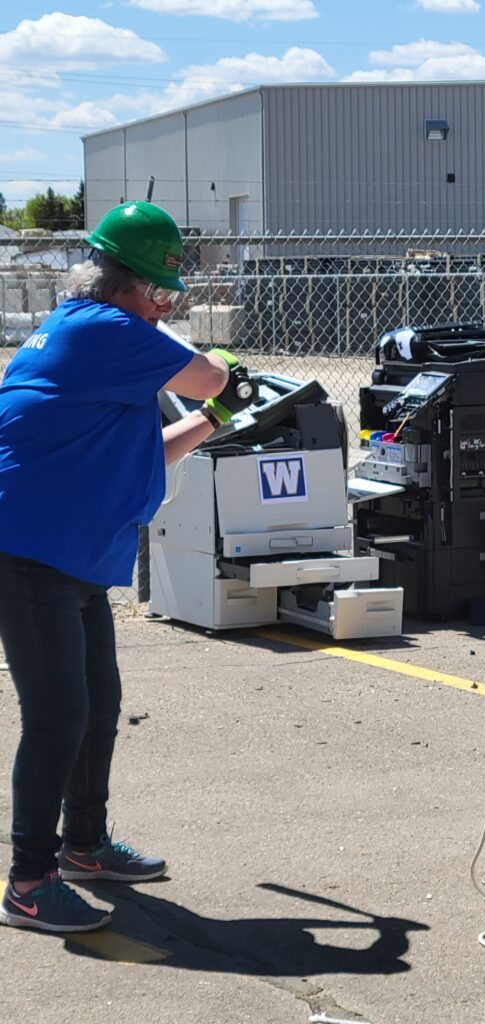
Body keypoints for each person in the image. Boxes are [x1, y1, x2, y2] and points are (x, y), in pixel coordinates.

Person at [0, 201, 252, 934]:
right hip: (31, 550)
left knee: (97, 707)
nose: (164, 306)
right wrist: (226, 378)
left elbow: (153, 447)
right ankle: (27, 881)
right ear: (129, 285)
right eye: (161, 293)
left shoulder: (94, 337)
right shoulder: (103, 328)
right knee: (57, 719)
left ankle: (84, 846)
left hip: (65, 555)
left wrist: (215, 422)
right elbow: (208, 373)